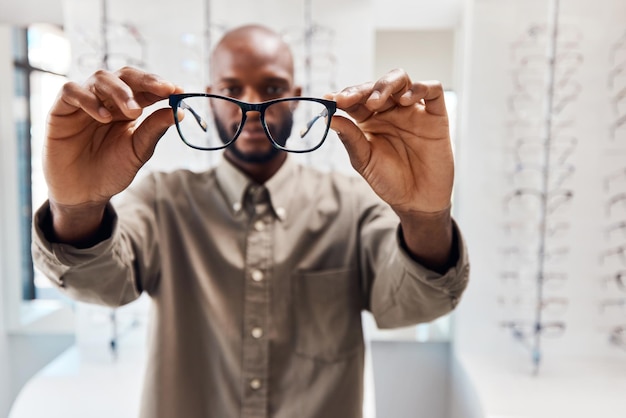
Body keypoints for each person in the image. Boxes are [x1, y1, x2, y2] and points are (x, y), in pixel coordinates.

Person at [32, 24, 469, 418]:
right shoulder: (164, 201)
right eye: (232, 88)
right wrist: (76, 209)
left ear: (297, 93)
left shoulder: (352, 206)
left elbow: (418, 303)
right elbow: (101, 284)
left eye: (273, 87)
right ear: (209, 94)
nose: (254, 105)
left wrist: (424, 217)